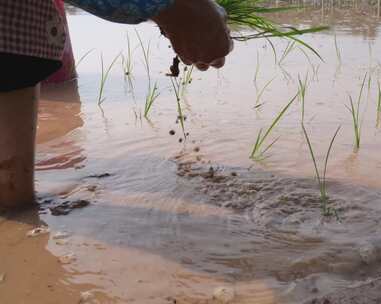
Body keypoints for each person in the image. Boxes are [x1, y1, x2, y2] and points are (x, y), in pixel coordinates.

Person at [0, 0, 233, 210]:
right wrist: (173, 7)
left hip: (18, 49)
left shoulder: (20, 30)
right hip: (18, 48)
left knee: (14, 202)